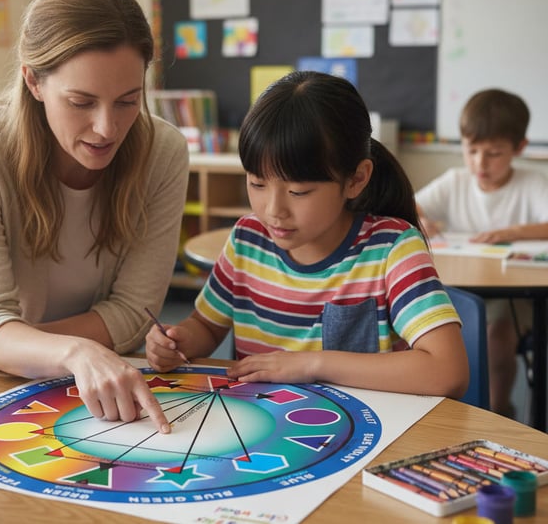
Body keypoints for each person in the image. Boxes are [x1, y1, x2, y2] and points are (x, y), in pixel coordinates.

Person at [0, 0, 189, 434]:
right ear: (33, 80)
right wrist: (65, 349)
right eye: (81, 102)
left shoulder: (163, 151)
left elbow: (133, 312)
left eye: (128, 101)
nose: (107, 128)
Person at [146, 71, 469, 399]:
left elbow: (447, 371)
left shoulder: (391, 248)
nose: (274, 210)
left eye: (299, 192)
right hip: (267, 429)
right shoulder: (247, 240)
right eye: (257, 183)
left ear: (357, 179)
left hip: (371, 433)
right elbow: (206, 326)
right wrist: (177, 340)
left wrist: (312, 364)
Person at [416, 88, 548, 417]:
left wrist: (512, 233)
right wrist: (421, 219)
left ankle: (500, 410)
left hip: (513, 294)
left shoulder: (533, 183)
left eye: (493, 153)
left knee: (498, 335)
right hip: (459, 287)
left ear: (518, 148)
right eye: (472, 150)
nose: (480, 163)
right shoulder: (455, 181)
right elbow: (411, 205)